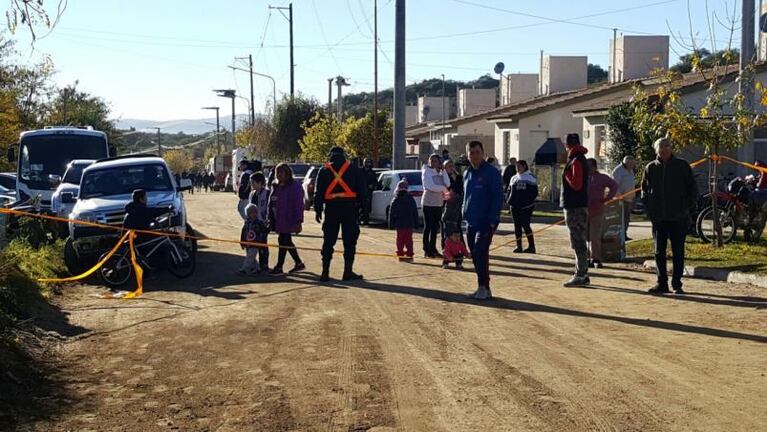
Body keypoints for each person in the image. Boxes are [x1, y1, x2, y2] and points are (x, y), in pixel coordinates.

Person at [641, 137, 697, 294]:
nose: (664, 149)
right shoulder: (651, 168)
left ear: (672, 148)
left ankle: (677, 283)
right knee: (659, 251)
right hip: (659, 218)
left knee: (678, 251)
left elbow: (692, 188)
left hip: (678, 217)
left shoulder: (682, 166)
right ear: (656, 150)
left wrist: (686, 207)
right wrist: (650, 209)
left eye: (667, 146)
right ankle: (662, 283)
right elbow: (644, 190)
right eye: (661, 146)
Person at [314, 146, 367, 282]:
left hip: (331, 209)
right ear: (344, 155)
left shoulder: (324, 170)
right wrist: (364, 210)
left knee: (328, 241)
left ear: (330, 155)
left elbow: (318, 193)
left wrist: (318, 209)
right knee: (349, 241)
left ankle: (325, 272)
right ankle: (347, 272)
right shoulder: (354, 170)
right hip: (349, 209)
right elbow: (362, 191)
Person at [463, 141, 503, 300]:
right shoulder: (467, 173)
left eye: (477, 152)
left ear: (483, 152)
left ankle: (482, 286)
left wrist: (493, 219)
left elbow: (498, 196)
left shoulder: (491, 173)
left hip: (486, 221)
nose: (474, 155)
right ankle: (484, 287)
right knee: (475, 254)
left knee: (480, 250)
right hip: (470, 221)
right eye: (471, 152)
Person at [561, 133, 591, 287]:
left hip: (575, 206)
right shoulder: (579, 159)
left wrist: (566, 174)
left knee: (577, 240)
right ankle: (581, 271)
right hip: (577, 205)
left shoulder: (576, 161)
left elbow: (576, 184)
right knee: (578, 239)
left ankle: (581, 274)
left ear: (568, 145)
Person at [268, 163, 306, 275]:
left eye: (281, 172)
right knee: (286, 241)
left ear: (287, 173)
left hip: (289, 219)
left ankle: (279, 266)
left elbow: (299, 204)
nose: (279, 175)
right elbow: (271, 202)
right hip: (278, 219)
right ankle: (298, 263)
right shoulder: (276, 186)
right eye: (277, 172)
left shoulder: (295, 186)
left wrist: (299, 221)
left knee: (283, 241)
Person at [587, 158, 617, 269]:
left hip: (597, 210)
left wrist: (607, 198)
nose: (588, 168)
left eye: (590, 166)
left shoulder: (601, 178)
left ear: (594, 167)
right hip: (583, 210)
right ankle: (586, 257)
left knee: (595, 235)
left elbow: (614, 186)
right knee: (585, 235)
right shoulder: (582, 177)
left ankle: (596, 258)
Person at [422, 154, 450, 258]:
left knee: (435, 227)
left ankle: (433, 249)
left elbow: (447, 183)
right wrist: (442, 188)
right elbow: (430, 186)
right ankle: (426, 249)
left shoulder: (440, 172)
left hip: (438, 203)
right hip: (428, 202)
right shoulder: (426, 171)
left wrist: (443, 171)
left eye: (436, 161)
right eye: (431, 160)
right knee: (428, 226)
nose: (433, 163)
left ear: (439, 163)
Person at [508, 160, 537, 254]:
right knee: (517, 226)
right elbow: (509, 190)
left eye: (519, 166)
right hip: (514, 206)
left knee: (526, 225)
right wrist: (509, 200)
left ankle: (531, 246)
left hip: (526, 206)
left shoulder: (530, 177)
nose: (517, 168)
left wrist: (527, 202)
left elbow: (534, 193)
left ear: (524, 166)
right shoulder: (514, 178)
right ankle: (519, 246)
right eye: (516, 166)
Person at [389, 179, 419, 262]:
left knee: (400, 240)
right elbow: (415, 212)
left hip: (399, 224)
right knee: (409, 240)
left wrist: (391, 224)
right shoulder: (411, 199)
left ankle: (401, 254)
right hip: (409, 223)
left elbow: (391, 213)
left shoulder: (395, 200)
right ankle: (409, 255)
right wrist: (416, 224)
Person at [248, 172, 270, 272]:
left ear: (260, 182)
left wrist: (267, 220)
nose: (251, 184)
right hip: (254, 223)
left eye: (253, 182)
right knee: (252, 244)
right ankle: (253, 265)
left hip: (263, 223)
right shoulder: (252, 194)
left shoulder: (267, 193)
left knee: (263, 244)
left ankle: (264, 264)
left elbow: (269, 208)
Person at [612, 155, 637, 240]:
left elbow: (631, 184)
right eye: (631, 164)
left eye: (633, 164)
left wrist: (633, 197)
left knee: (626, 218)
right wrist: (619, 197)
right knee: (621, 219)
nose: (632, 166)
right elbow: (615, 185)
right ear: (626, 163)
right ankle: (619, 235)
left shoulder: (630, 170)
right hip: (621, 199)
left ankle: (624, 234)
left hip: (629, 199)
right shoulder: (618, 171)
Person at [239, 204, 268, 275]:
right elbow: (243, 233)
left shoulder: (259, 223)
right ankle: (257, 268)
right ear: (248, 214)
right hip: (248, 243)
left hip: (255, 243)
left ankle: (244, 269)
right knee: (251, 256)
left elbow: (264, 231)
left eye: (255, 212)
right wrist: (242, 242)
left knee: (250, 256)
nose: (253, 214)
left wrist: (268, 227)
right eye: (251, 213)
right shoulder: (246, 223)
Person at [361, 158, 378, 224]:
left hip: (368, 192)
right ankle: (359, 219)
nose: (367, 164)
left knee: (367, 206)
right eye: (365, 162)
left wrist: (372, 186)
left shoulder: (372, 173)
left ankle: (366, 220)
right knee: (359, 206)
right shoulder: (360, 171)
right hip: (360, 191)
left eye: (368, 162)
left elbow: (375, 182)